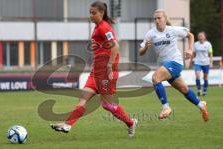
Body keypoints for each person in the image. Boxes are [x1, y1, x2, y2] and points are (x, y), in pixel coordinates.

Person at [51, 1, 137, 137]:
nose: (91, 15)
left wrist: (109, 65)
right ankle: (67, 125)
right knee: (83, 98)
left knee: (107, 105)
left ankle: (131, 123)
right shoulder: (97, 27)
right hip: (96, 71)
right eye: (90, 13)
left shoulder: (104, 27)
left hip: (105, 71)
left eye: (94, 13)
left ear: (101, 13)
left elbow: (115, 46)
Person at [139, 9, 208, 122]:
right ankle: (201, 105)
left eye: (159, 18)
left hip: (175, 62)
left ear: (165, 19)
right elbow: (140, 52)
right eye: (155, 18)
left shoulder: (172, 30)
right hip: (165, 66)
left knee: (155, 78)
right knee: (184, 89)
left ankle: (166, 107)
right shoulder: (150, 34)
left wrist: (190, 50)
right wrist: (146, 47)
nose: (156, 20)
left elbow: (190, 35)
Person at [192, 32, 213, 96]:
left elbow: (211, 53)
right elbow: (193, 53)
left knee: (205, 77)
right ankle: (199, 90)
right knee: (197, 76)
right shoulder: (195, 44)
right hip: (198, 62)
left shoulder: (208, 44)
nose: (200, 37)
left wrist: (211, 62)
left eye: (201, 36)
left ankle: (205, 90)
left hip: (206, 63)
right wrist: (192, 60)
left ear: (204, 37)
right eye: (199, 36)